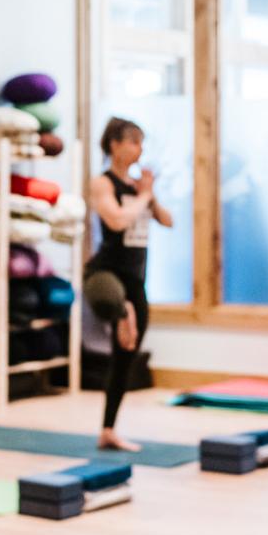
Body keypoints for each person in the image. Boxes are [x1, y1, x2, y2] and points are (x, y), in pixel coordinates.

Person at [84, 116, 172, 452]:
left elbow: (167, 220)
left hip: (136, 279)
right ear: (114, 145)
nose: (139, 149)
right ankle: (123, 312)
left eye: (141, 143)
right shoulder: (103, 183)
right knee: (110, 301)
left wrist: (151, 195)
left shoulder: (138, 188)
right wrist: (142, 197)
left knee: (125, 357)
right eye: (133, 141)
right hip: (105, 272)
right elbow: (116, 220)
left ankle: (108, 430)